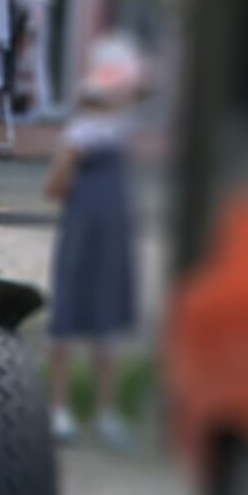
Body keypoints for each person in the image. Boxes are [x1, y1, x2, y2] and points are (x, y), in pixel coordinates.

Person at [46, 34, 143, 446]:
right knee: (78, 319)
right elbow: (55, 186)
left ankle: (89, 412)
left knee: (95, 322)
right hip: (90, 235)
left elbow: (56, 187)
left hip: (102, 236)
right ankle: (68, 410)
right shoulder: (89, 134)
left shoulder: (106, 132)